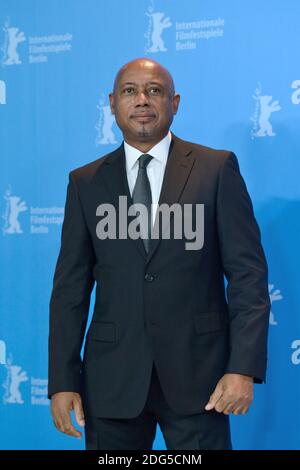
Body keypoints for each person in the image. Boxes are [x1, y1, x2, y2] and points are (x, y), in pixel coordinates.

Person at [48, 58, 270, 450]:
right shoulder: (85, 183)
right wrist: (63, 382)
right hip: (112, 381)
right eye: (130, 91)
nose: (142, 100)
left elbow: (247, 276)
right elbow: (70, 291)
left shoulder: (215, 169)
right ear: (112, 102)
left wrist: (242, 368)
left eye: (154, 90)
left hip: (201, 378)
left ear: (175, 102)